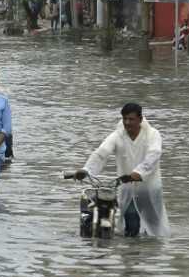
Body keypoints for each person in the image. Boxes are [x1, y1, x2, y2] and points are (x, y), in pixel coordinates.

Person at [73, 102, 170, 238]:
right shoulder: (117, 136)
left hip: (149, 187)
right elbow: (101, 153)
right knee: (131, 219)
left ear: (140, 119)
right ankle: (131, 254)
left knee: (154, 225)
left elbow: (153, 155)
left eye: (131, 119)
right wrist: (86, 170)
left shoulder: (152, 134)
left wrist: (139, 172)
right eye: (124, 119)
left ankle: (152, 254)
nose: (127, 122)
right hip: (127, 186)